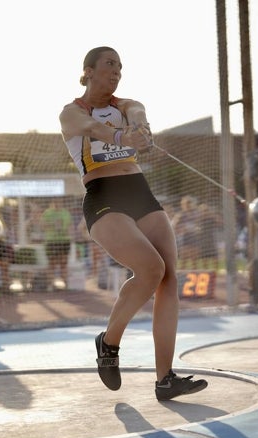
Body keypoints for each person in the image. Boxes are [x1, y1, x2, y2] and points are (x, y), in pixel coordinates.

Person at [59, 46, 207, 400]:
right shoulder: (71, 113)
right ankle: (108, 343)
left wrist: (141, 128)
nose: (116, 72)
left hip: (139, 191)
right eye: (110, 64)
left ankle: (165, 379)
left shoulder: (126, 105)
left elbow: (137, 112)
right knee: (151, 269)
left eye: (120, 67)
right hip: (103, 195)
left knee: (168, 277)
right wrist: (124, 138)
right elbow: (94, 128)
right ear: (88, 70)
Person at [41, 197, 72, 290]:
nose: (57, 203)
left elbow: (70, 226)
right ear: (52, 202)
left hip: (64, 241)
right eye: (55, 201)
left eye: (59, 201)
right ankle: (50, 284)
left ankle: (66, 284)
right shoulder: (47, 213)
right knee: (52, 263)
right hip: (51, 241)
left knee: (63, 263)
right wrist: (53, 225)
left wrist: (68, 232)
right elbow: (42, 226)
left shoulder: (66, 213)